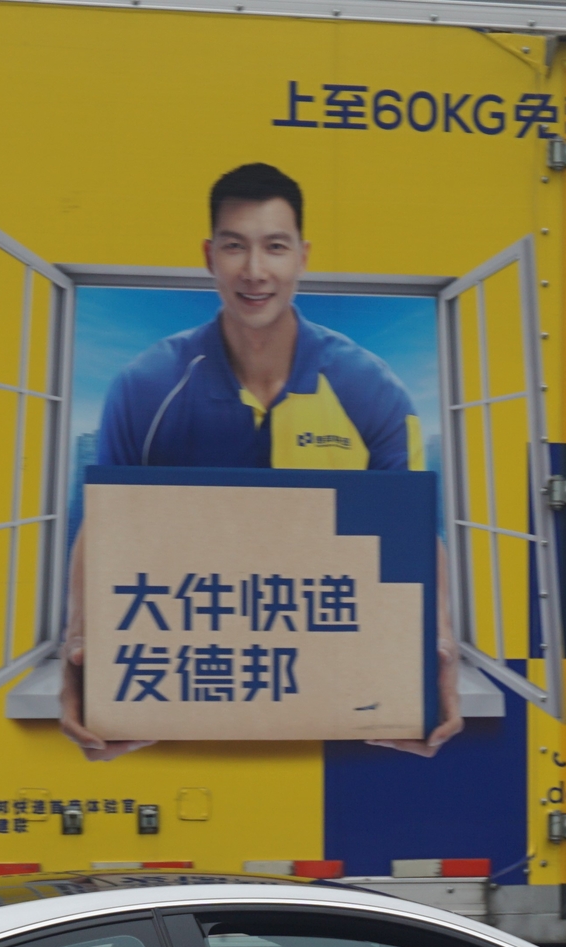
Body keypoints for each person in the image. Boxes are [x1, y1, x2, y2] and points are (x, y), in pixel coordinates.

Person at [57, 162, 463, 761]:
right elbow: (102, 525)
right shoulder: (146, 387)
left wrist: (439, 644)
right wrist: (78, 644)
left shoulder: (369, 390)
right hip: (191, 661)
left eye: (274, 247)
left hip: (324, 663)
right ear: (208, 256)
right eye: (234, 247)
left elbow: (411, 534)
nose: (254, 271)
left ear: (302, 256)